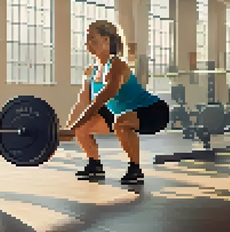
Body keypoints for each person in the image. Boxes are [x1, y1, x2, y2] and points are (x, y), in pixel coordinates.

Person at [66, 20, 169, 185]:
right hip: (118, 113)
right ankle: (94, 166)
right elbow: (82, 102)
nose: (88, 43)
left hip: (152, 111)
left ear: (106, 40)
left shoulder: (117, 65)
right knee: (82, 127)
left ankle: (135, 169)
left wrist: (71, 129)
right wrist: (68, 128)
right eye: (87, 38)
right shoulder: (90, 71)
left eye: (92, 38)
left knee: (120, 123)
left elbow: (102, 98)